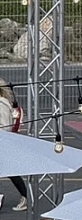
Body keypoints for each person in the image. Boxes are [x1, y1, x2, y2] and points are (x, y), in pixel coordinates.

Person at [0, 78, 28, 212]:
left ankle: (25, 196)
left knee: (11, 171)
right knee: (11, 171)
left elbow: (5, 127)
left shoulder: (1, 105)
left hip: (3, 142)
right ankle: (25, 196)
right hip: (4, 142)